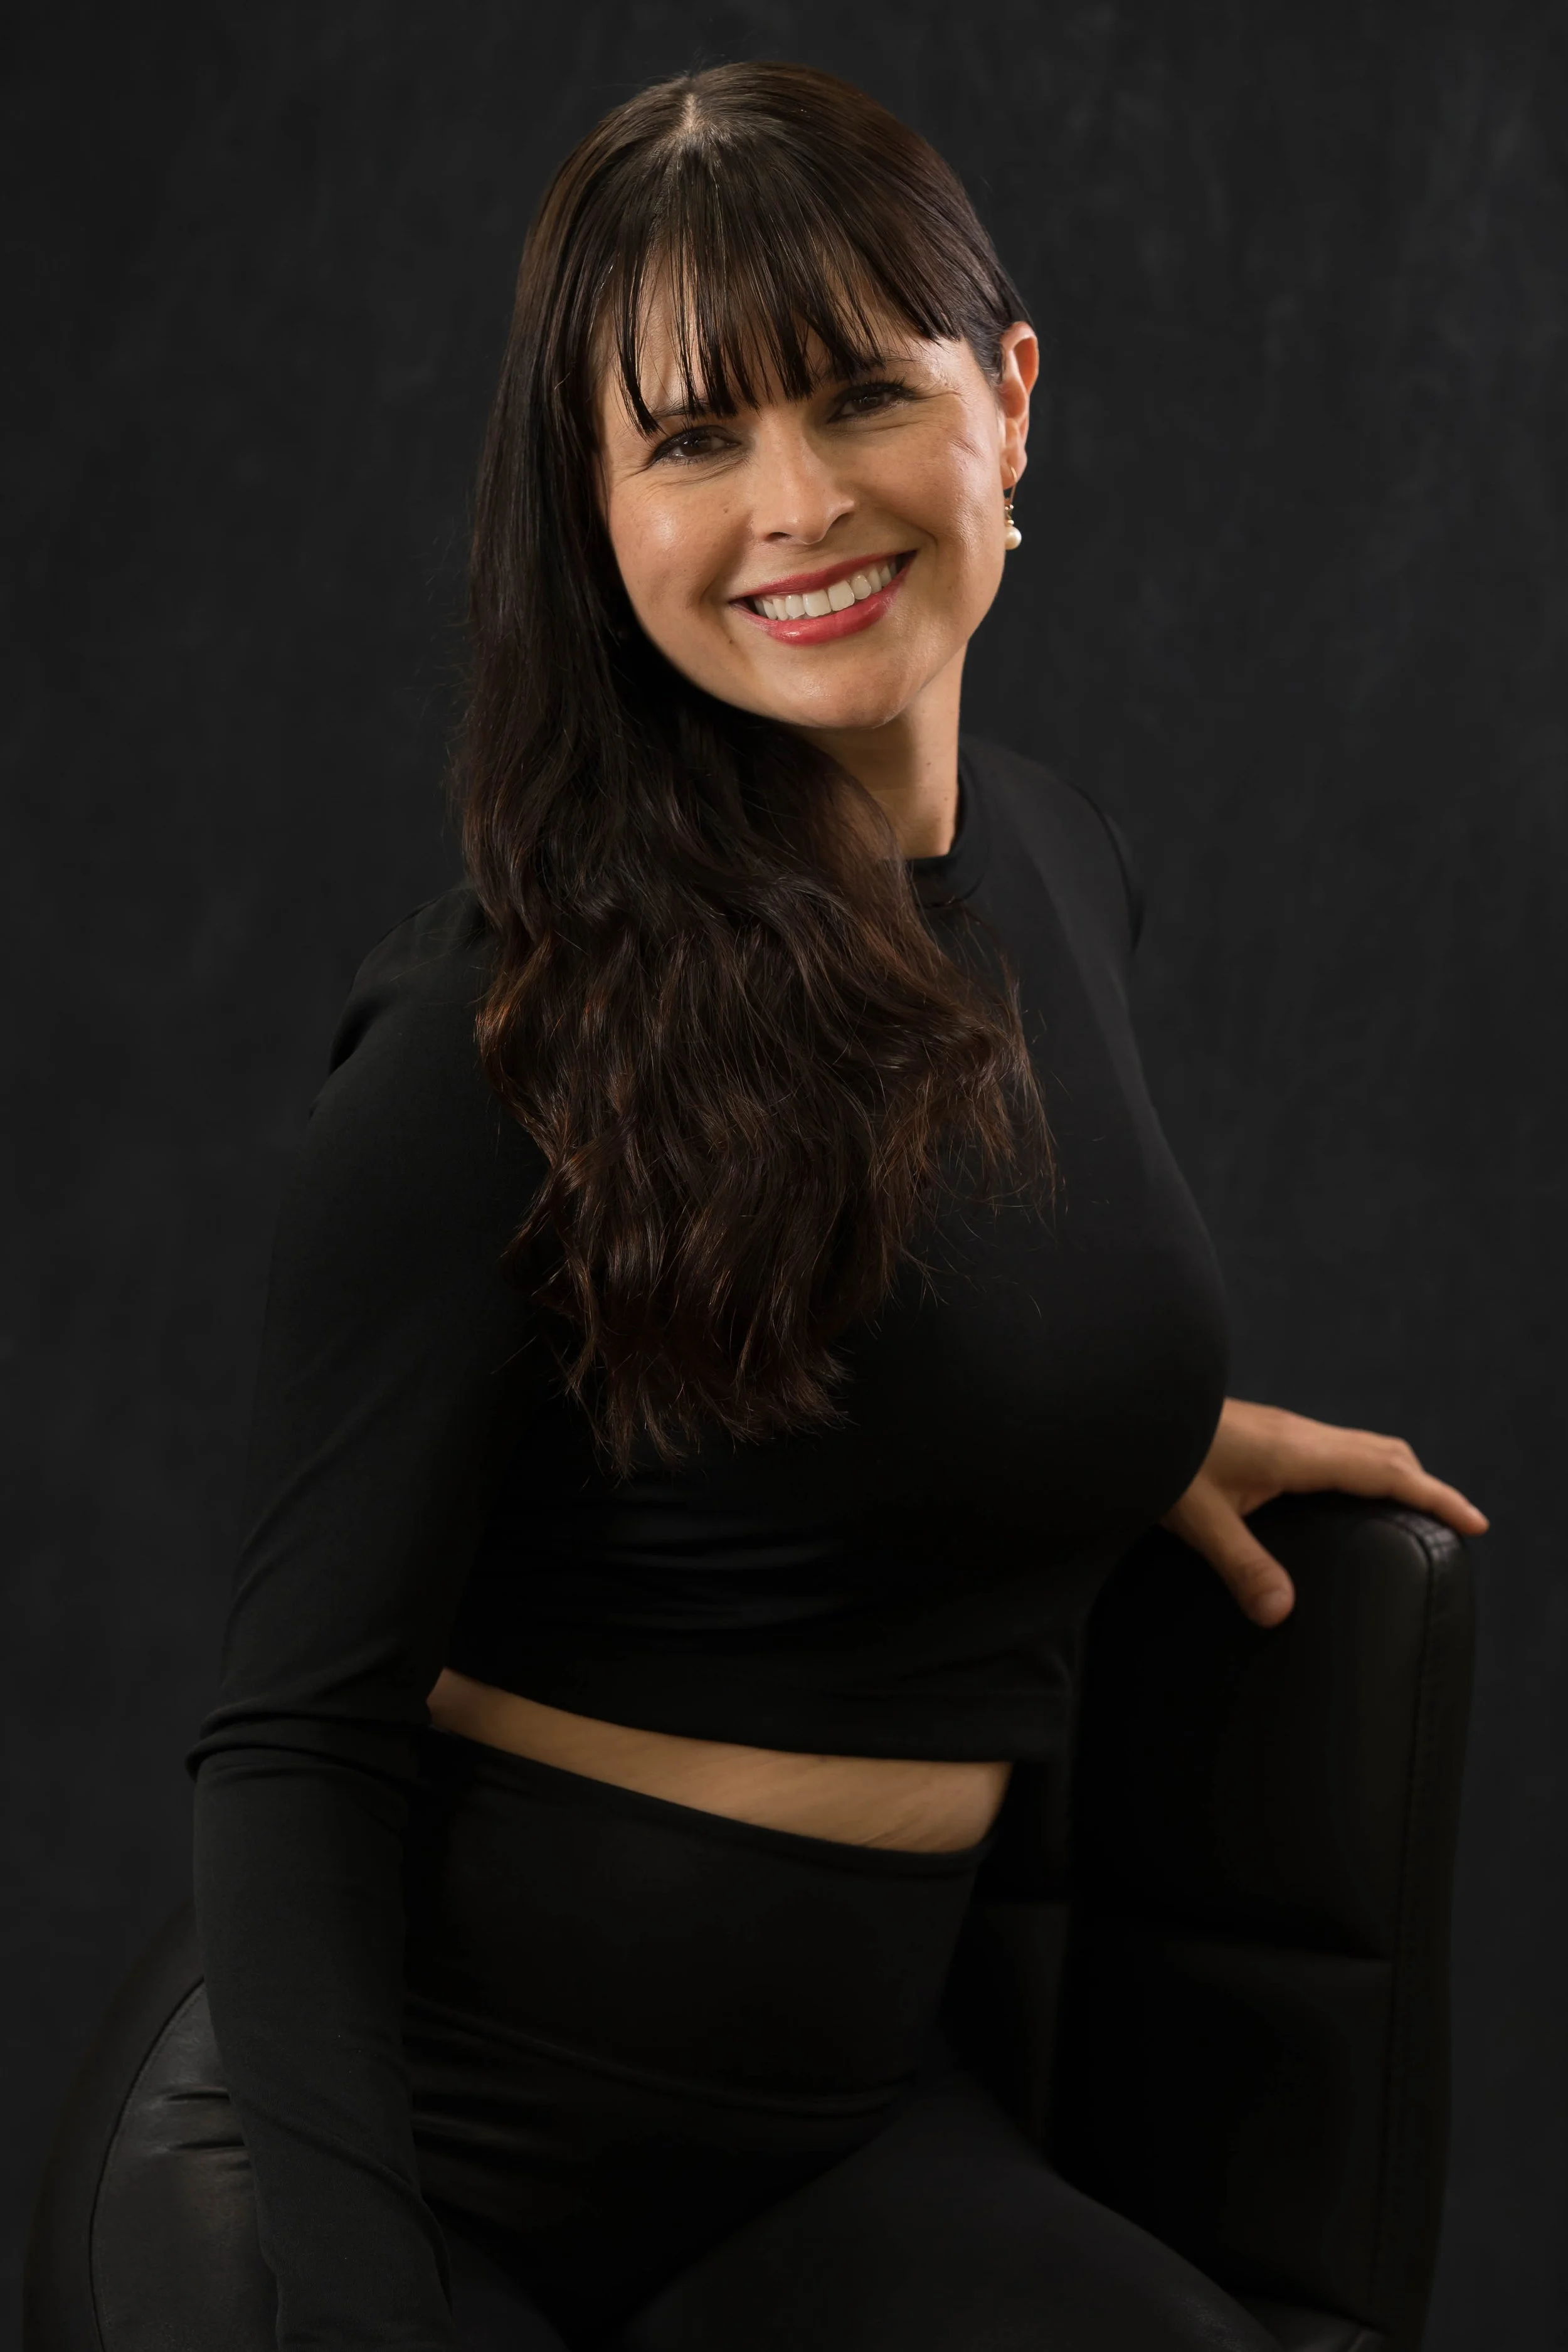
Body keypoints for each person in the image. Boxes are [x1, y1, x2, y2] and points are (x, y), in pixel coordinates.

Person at [186, 59, 1487, 2352]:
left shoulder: (1062, 868)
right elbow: (291, 1741)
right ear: (595, 511)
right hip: (431, 2155)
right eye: (691, 439)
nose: (793, 507)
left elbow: (894, 1302)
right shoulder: (497, 1031)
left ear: (1009, 403)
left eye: (861, 396)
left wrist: (1120, 1425)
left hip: (831, 2143)